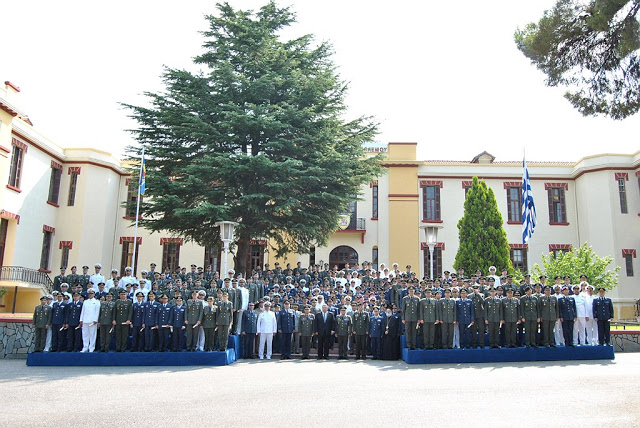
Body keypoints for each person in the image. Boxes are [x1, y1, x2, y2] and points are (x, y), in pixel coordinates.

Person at [401, 286, 420, 350]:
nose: (411, 292)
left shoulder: (417, 299)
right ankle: (409, 345)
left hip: (415, 318)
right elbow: (403, 309)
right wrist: (403, 318)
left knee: (414, 332)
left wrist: (419, 318)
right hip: (407, 318)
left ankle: (414, 345)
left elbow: (418, 310)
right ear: (408, 291)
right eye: (410, 291)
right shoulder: (405, 299)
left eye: (412, 291)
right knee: (408, 332)